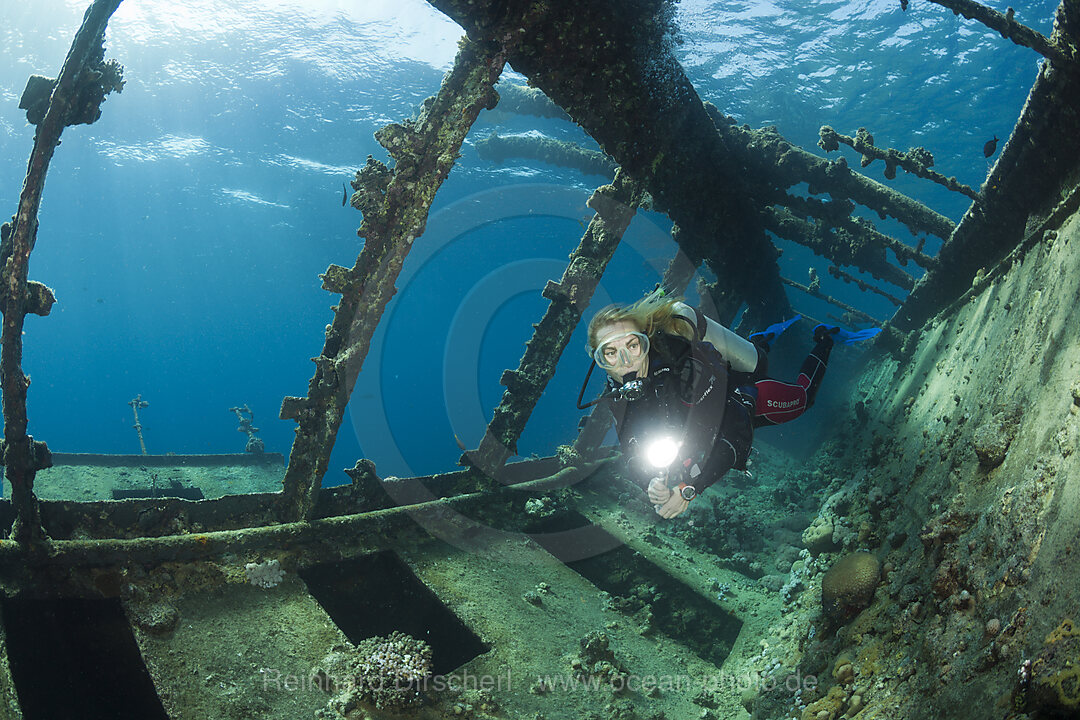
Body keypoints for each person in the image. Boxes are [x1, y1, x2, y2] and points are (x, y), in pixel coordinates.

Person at [580, 289, 877, 519]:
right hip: (703, 416)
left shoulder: (684, 366)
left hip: (741, 400)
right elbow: (631, 445)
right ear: (599, 361)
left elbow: (735, 431)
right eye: (610, 353)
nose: (626, 362)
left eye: (633, 346)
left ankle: (826, 339)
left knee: (801, 400)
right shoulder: (616, 393)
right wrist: (651, 482)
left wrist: (688, 489)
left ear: (645, 342)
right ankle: (760, 340)